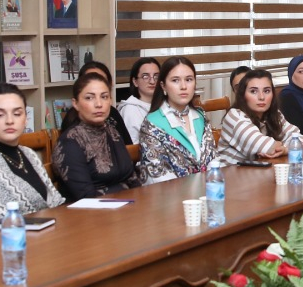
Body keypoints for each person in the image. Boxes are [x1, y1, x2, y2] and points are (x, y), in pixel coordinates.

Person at [0, 84, 66, 224]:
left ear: (25, 119)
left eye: (17, 114)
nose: (9, 121)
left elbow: (56, 204)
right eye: (0, 115)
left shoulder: (29, 154)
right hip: (10, 241)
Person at [51, 71, 140, 201]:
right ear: (75, 103)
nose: (99, 104)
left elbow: (132, 178)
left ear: (110, 100)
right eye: (89, 98)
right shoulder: (70, 142)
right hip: (89, 215)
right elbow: (85, 197)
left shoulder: (111, 131)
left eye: (104, 97)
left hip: (127, 208)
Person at [139, 55, 216, 182]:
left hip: (206, 191)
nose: (183, 86)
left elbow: (213, 161)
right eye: (175, 80)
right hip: (170, 196)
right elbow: (158, 176)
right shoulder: (152, 123)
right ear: (163, 86)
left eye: (189, 79)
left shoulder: (200, 116)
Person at [217, 68, 303, 162]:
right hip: (229, 175)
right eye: (253, 91)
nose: (261, 97)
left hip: (260, 174)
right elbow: (268, 149)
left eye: (266, 91)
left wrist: (285, 150)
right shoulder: (233, 116)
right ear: (243, 95)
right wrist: (288, 146)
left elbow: (301, 140)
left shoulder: (274, 114)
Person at [118, 57, 160, 141]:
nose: (152, 81)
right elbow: (133, 148)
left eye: (156, 76)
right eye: (145, 76)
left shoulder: (166, 105)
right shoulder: (130, 110)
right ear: (135, 81)